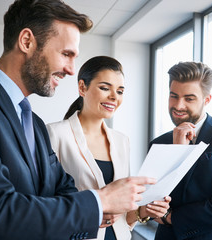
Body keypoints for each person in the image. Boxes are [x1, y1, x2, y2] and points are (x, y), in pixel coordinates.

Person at [0, 1, 156, 239]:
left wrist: (8, 218)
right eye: (66, 54)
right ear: (27, 41)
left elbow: (63, 188)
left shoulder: (34, 122)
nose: (70, 69)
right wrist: (102, 200)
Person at [47, 56, 171, 240]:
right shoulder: (55, 134)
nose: (114, 97)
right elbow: (44, 203)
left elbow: (123, 217)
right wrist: (90, 212)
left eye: (120, 91)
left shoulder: (122, 141)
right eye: (105, 88)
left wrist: (144, 210)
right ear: (82, 87)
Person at [149, 61, 212, 240]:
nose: (178, 105)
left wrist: (171, 217)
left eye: (189, 99)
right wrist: (176, 153)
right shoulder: (158, 143)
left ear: (207, 100)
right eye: (173, 96)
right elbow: (152, 203)